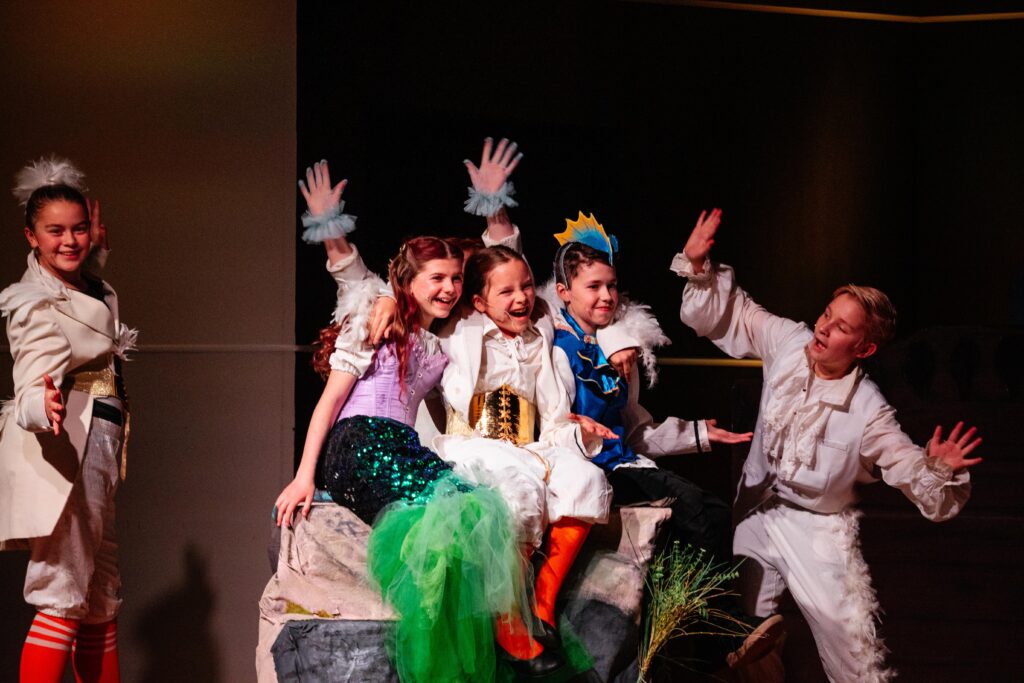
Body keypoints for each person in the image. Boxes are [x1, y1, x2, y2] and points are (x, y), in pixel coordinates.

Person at [674, 208, 982, 681]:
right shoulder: (790, 340)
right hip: (757, 512)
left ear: (864, 349)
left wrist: (935, 469)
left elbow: (904, 463)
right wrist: (698, 268)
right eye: (826, 314)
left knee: (853, 657)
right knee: (741, 630)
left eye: (841, 327)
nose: (823, 328)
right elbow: (736, 313)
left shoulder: (869, 409)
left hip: (818, 532)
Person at [272, 161, 525, 683]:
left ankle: (469, 647)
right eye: (437, 278)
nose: (450, 288)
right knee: (442, 521)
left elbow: (504, 288)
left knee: (475, 509)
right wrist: (304, 475)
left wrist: (495, 209)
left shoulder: (439, 347)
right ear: (406, 282)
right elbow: (330, 401)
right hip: (360, 443)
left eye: (456, 278)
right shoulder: (377, 322)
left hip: (401, 445)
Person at [545, 218, 789, 669]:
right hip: (589, 470)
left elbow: (635, 429)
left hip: (626, 462)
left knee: (714, 511)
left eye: (612, 286)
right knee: (694, 509)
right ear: (563, 292)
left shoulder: (618, 351)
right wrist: (581, 434)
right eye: (592, 287)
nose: (606, 297)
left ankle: (708, 634)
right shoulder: (558, 350)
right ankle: (723, 635)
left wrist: (698, 433)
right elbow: (554, 422)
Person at [1, 157, 135, 683]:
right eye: (55, 231)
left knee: (99, 594)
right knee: (61, 588)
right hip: (68, 447)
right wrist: (42, 408)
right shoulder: (33, 301)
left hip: (99, 445)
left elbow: (90, 297)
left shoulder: (80, 284)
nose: (70, 241)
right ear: (30, 236)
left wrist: (95, 247)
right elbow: (30, 378)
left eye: (79, 228)